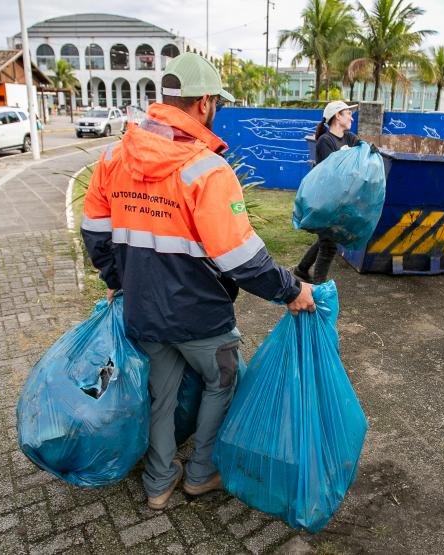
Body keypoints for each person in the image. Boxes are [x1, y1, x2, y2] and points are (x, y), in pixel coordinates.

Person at [80, 52, 316, 510]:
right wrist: (292, 290)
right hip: (201, 313)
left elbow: (94, 231)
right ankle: (201, 473)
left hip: (142, 310)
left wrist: (117, 279)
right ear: (205, 102)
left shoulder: (113, 157)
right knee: (221, 380)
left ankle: (158, 483)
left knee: (159, 396)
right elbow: (240, 257)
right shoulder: (208, 170)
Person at [293, 100, 361, 284]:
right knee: (329, 246)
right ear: (337, 116)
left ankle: (301, 269)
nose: (351, 117)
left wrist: (369, 150)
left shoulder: (349, 138)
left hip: (340, 200)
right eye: (348, 113)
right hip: (326, 200)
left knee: (325, 239)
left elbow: (361, 150)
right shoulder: (325, 141)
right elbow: (333, 173)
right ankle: (318, 289)